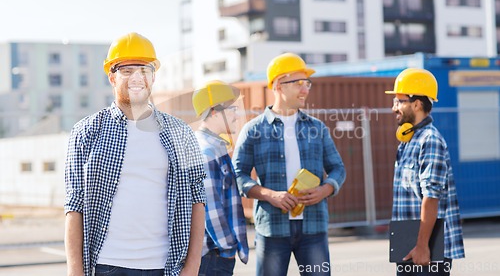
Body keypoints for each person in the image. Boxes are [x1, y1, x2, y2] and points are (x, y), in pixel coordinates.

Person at [64, 32, 207, 276]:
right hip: (106, 265)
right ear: (112, 76)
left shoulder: (181, 133)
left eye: (144, 70)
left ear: (154, 76)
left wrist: (192, 268)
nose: (137, 78)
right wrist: (75, 271)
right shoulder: (86, 132)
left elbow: (197, 199)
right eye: (127, 71)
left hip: (164, 266)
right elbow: (74, 205)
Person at [232, 53, 346, 276]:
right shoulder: (254, 130)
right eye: (299, 83)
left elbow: (338, 168)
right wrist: (269, 195)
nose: (305, 89)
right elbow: (238, 175)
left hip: (314, 227)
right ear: (278, 85)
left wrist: (325, 189)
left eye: (307, 83)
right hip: (272, 229)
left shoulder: (318, 128)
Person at [386, 68, 465, 276]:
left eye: (399, 101)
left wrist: (422, 246)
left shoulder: (430, 141)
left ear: (417, 104)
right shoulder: (408, 141)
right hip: (408, 242)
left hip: (427, 248)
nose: (394, 107)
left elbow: (431, 197)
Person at [192, 80, 249, 276]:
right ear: (214, 111)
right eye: (232, 108)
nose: (236, 114)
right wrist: (228, 247)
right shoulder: (206, 151)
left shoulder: (215, 146)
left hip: (215, 254)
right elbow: (210, 208)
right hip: (213, 256)